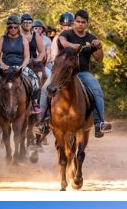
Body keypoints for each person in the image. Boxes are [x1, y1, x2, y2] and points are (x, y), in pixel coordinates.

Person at [56, 9, 112, 138]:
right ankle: (42, 121)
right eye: (78, 21)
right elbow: (63, 42)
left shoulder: (90, 38)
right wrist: (73, 46)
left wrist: (99, 47)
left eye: (83, 22)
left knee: (97, 90)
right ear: (74, 21)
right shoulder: (66, 33)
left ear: (87, 24)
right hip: (64, 73)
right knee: (47, 87)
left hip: (83, 72)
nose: (80, 24)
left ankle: (99, 124)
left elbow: (99, 59)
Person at [0, 15, 41, 114]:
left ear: (18, 27)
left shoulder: (23, 39)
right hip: (5, 66)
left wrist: (22, 66)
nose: (13, 29)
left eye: (15, 27)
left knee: (34, 80)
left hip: (19, 66)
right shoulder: (2, 39)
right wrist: (2, 64)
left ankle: (34, 103)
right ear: (7, 27)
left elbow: (26, 57)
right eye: (10, 27)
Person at [35, 12, 75, 139]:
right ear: (61, 26)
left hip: (74, 71)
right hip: (58, 70)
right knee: (46, 89)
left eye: (69, 25)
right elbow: (53, 57)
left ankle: (95, 119)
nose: (66, 28)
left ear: (73, 24)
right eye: (64, 25)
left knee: (90, 88)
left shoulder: (77, 38)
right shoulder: (57, 39)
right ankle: (41, 121)